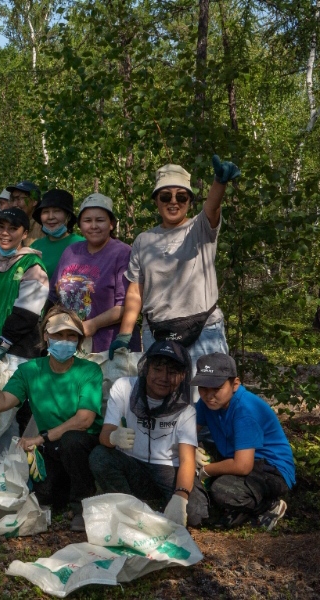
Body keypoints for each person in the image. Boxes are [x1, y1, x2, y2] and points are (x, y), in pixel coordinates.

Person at [0, 307, 103, 531]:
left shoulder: (90, 370)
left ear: (79, 340)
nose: (65, 341)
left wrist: (41, 439)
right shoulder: (29, 370)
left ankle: (83, 506)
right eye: (58, 335)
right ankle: (63, 495)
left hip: (83, 445)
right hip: (51, 447)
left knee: (72, 440)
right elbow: (0, 403)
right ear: (45, 336)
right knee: (45, 498)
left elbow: (84, 420)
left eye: (71, 336)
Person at [111, 156, 241, 375]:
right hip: (157, 332)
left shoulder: (200, 229)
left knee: (206, 398)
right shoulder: (143, 240)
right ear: (156, 201)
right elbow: (135, 291)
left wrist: (219, 182)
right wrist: (124, 335)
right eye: (165, 196)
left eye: (181, 196)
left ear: (189, 200)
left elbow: (213, 207)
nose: (174, 202)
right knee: (161, 401)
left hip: (204, 331)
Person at [89, 340, 203, 527]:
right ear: (146, 368)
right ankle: (127, 507)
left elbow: (187, 460)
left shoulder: (187, 409)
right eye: (157, 369)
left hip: (168, 469)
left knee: (195, 514)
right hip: (133, 463)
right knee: (100, 456)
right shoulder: (124, 387)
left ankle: (164, 502)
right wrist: (113, 437)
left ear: (183, 376)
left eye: (172, 372)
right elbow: (104, 435)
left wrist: (181, 496)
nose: (164, 377)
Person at [193, 352, 295, 530]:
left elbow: (243, 466)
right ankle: (239, 511)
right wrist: (190, 449)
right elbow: (188, 432)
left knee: (222, 491)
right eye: (203, 388)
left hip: (269, 468)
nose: (209, 395)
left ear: (235, 384)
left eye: (216, 388)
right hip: (236, 455)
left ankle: (269, 505)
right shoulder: (207, 404)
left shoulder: (245, 410)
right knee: (189, 452)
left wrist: (206, 470)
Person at [50, 193, 131, 353]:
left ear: (111, 224)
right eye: (87, 221)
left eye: (100, 220)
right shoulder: (71, 251)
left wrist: (93, 324)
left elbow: (126, 306)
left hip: (108, 347)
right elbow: (53, 295)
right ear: (80, 224)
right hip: (70, 345)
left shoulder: (122, 253)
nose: (93, 226)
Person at [0, 207, 49, 367]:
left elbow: (27, 314)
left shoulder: (32, 265)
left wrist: (3, 344)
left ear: (25, 233)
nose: (5, 233)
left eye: (13, 228)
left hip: (20, 353)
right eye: (0, 227)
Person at [29, 189, 83, 280]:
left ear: (68, 216)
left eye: (57, 211)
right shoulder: (35, 246)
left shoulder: (81, 244)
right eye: (46, 212)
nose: (50, 217)